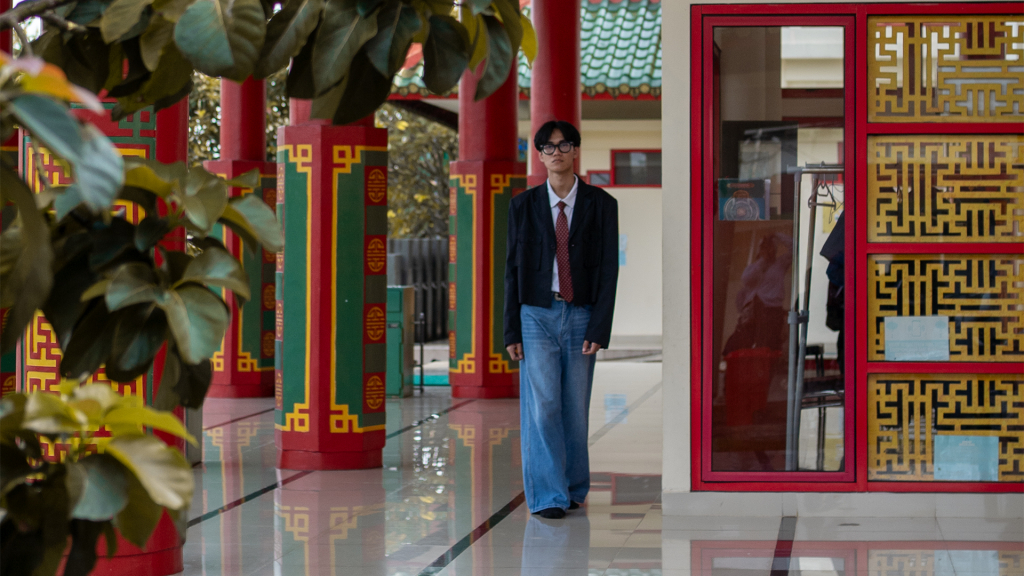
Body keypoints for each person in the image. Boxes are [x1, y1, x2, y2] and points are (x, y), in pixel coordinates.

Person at [503, 120, 619, 520]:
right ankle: (549, 495)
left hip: (581, 312)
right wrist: (511, 329)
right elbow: (512, 270)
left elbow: (607, 270)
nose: (556, 152)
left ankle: (573, 487)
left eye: (563, 145)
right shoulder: (523, 205)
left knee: (574, 405)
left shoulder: (602, 204)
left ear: (575, 150)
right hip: (535, 314)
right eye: (548, 147)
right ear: (539, 156)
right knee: (544, 405)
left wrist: (599, 326)